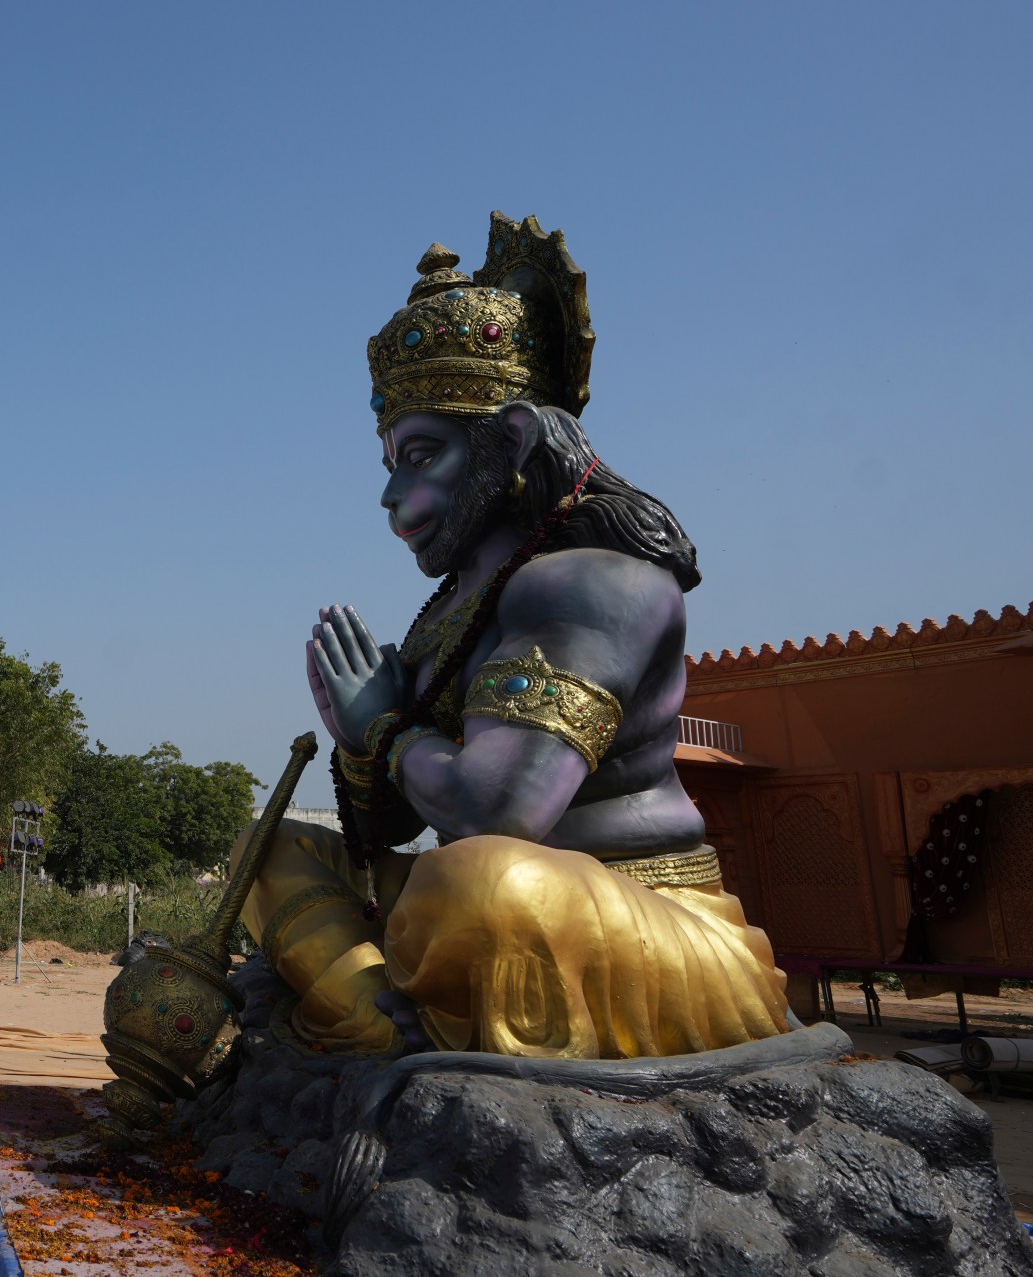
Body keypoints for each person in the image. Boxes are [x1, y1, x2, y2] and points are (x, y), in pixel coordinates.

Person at [245, 214, 787, 1061]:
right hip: (484, 900)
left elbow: (503, 812)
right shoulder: (451, 609)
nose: (392, 497)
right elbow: (381, 834)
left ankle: (372, 1016)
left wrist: (384, 729)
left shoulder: (594, 581)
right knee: (265, 847)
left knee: (472, 882)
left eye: (420, 456)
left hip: (642, 920)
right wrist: (359, 744)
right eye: (389, 463)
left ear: (513, 445)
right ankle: (383, 1022)